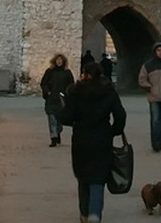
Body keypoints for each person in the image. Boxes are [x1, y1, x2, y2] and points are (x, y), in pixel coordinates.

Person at [59, 62, 126, 223]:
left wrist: (62, 111)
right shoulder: (108, 91)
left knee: (83, 177)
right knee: (98, 178)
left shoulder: (75, 91)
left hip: (82, 138)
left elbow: (67, 117)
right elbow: (120, 115)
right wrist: (113, 131)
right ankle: (94, 214)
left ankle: (84, 213)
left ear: (85, 74)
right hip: (102, 138)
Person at [41, 53, 75, 147]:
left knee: (59, 119)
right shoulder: (49, 72)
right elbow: (44, 83)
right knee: (52, 118)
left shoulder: (67, 72)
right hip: (52, 99)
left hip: (62, 99)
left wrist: (68, 94)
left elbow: (71, 85)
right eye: (57, 60)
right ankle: (53, 138)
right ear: (55, 61)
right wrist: (47, 92)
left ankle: (58, 132)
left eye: (61, 60)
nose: (59, 61)